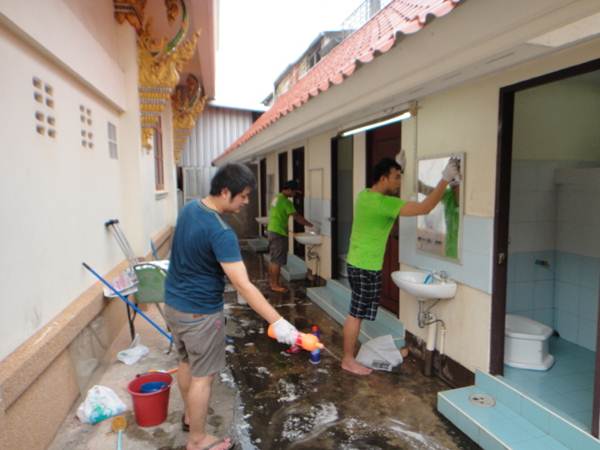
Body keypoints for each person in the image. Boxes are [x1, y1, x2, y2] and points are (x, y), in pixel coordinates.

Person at [164, 163, 300, 450]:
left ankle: (190, 416)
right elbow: (244, 285)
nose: (246, 202)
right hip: (200, 313)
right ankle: (197, 440)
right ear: (225, 192)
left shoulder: (190, 209)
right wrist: (278, 321)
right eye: (244, 196)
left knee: (186, 362)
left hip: (174, 306)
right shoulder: (221, 232)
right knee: (203, 378)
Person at [342, 152, 460, 375]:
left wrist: (398, 168)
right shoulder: (383, 204)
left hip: (358, 263)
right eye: (396, 177)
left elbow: (394, 196)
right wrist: (445, 178)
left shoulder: (365, 195)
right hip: (364, 266)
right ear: (383, 178)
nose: (399, 182)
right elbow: (424, 208)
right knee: (356, 314)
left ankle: (350, 356)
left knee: (358, 312)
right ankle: (348, 359)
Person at [267, 180, 313, 292]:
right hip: (279, 232)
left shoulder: (276, 197)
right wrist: (310, 225)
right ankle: (275, 285)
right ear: (289, 190)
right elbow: (296, 217)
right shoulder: (286, 202)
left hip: (272, 230)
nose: (294, 195)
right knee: (277, 261)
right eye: (294, 192)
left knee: (273, 259)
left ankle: (273, 282)